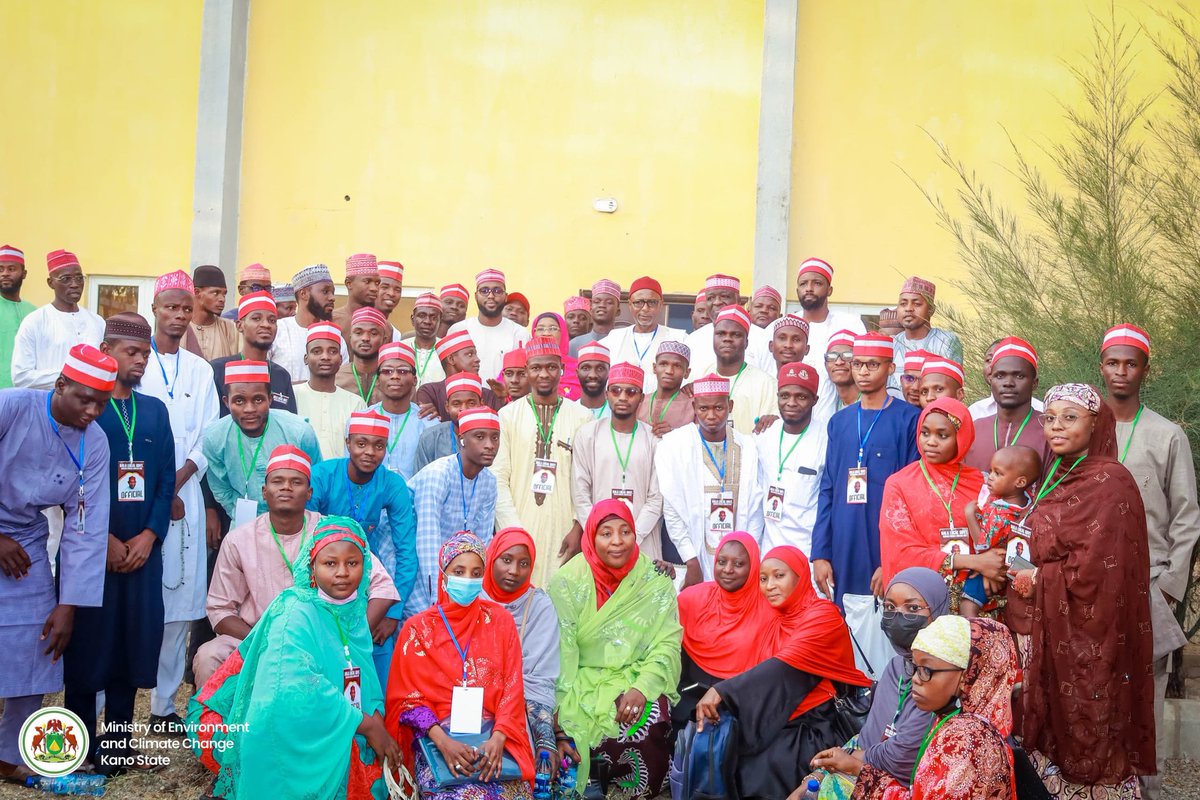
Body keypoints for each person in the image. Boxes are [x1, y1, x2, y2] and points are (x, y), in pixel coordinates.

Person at [189, 517, 402, 800]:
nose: (342, 573)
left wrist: (374, 716)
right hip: (278, 726)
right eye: (330, 563)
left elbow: (364, 676)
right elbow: (296, 690)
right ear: (312, 567)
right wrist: (366, 724)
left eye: (352, 563)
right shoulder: (294, 611)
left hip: (330, 719)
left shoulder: (354, 611)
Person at [1011, 383, 1155, 796]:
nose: (1056, 427)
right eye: (1050, 418)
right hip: (1047, 621)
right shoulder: (1051, 475)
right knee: (1051, 715)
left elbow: (1098, 571)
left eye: (1070, 418)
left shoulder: (1111, 481)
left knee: (1093, 713)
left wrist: (1041, 576)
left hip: (1093, 629)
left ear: (1096, 424)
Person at [63, 315, 174, 773]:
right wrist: (101, 538)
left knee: (132, 647)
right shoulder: (88, 407)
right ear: (107, 350)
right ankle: (79, 748)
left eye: (146, 354)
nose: (141, 361)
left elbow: (166, 479)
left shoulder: (154, 410)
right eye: (132, 352)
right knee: (89, 646)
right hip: (93, 552)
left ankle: (118, 747)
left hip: (142, 553)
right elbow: (69, 478)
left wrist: (150, 535)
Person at [193, 446, 400, 687]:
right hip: (257, 639)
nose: (286, 488)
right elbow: (219, 610)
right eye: (278, 481)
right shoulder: (239, 540)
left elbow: (383, 587)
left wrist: (352, 636)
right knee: (209, 656)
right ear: (265, 491)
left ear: (309, 493)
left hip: (322, 641)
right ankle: (219, 725)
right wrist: (264, 641)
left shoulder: (333, 532)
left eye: (296, 482)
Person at [0, 344, 114, 783]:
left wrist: (70, 603)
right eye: (83, 398)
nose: (91, 411)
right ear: (59, 385)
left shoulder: (95, 443)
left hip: (27, 539)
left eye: (101, 404)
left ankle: (9, 755)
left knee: (36, 644)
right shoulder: (13, 406)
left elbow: (86, 527)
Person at [1100, 323, 1200, 799]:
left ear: (1145, 370)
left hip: (1149, 583)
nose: (1122, 372)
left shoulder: (1167, 434)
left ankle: (1148, 790)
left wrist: (1168, 586)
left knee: (1145, 695)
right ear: (1101, 367)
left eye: (1131, 363)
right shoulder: (1080, 425)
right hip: (1089, 587)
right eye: (1113, 362)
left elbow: (1186, 518)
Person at [693, 546, 871, 800]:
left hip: (818, 723)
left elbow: (786, 667)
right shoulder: (776, 619)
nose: (770, 586)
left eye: (779, 576)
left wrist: (723, 691)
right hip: (778, 716)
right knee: (732, 752)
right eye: (763, 579)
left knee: (762, 768)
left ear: (799, 577)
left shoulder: (823, 616)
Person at [385, 532, 536, 799]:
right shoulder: (418, 629)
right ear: (443, 574)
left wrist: (499, 738)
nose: (467, 579)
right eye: (459, 570)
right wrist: (444, 743)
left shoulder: (500, 621)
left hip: (494, 740)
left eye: (476, 572)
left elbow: (513, 688)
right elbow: (407, 702)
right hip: (437, 742)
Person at [136, 270, 222, 734]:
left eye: (185, 308)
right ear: (155, 309)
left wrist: (178, 482)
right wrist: (159, 487)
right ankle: (118, 699)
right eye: (171, 307)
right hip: (137, 495)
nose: (179, 315)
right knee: (139, 600)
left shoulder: (200, 369)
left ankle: (163, 706)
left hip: (183, 492)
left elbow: (208, 437)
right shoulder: (134, 362)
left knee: (179, 608)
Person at [549, 501, 682, 798]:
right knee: (572, 723)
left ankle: (633, 792)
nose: (617, 541)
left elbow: (667, 642)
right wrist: (559, 708)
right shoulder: (567, 582)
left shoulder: (654, 580)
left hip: (634, 674)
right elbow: (562, 650)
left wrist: (642, 687)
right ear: (592, 537)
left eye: (625, 531)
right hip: (578, 678)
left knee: (646, 718)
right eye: (606, 533)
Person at [809, 567, 948, 795]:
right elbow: (869, 737)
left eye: (912, 608)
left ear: (939, 611)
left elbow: (905, 756)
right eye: (890, 607)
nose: (898, 617)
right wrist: (819, 774)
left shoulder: (946, 676)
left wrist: (853, 761)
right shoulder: (895, 669)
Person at [811, 333, 919, 615]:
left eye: (873, 365)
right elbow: (828, 488)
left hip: (884, 542)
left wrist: (893, 559)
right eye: (858, 364)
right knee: (843, 623)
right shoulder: (839, 421)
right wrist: (820, 553)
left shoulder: (909, 419)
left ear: (890, 368)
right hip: (843, 540)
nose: (863, 371)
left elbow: (912, 497)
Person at [305, 409, 417, 681]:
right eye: (361, 443)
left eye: (378, 446)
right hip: (320, 576)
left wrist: (392, 613)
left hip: (365, 577)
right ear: (348, 444)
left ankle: (377, 715)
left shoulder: (392, 484)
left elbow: (406, 553)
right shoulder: (322, 475)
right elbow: (305, 538)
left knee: (379, 646)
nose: (369, 452)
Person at [854, 615, 1017, 800]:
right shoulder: (955, 722)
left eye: (926, 670)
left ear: (967, 676)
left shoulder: (968, 743)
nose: (915, 678)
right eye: (915, 668)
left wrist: (861, 772)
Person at [878, 398, 998, 616]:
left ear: (962, 438)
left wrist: (990, 568)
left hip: (977, 601)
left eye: (942, 435)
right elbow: (902, 551)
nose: (931, 442)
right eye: (925, 433)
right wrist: (975, 562)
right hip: (924, 604)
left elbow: (998, 535)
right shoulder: (899, 484)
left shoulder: (982, 483)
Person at [492, 336, 592, 585]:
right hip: (518, 524)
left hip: (565, 529)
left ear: (562, 369)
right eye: (536, 368)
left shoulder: (582, 417)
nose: (544, 374)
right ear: (527, 372)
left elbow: (588, 480)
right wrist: (513, 531)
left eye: (551, 367)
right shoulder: (507, 416)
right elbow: (498, 477)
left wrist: (579, 527)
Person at [656, 373, 764, 586]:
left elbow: (756, 508)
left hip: (739, 558)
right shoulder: (675, 446)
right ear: (694, 406)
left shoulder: (748, 447)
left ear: (730, 406)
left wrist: (747, 552)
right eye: (704, 409)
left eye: (719, 408)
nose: (711, 415)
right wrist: (691, 559)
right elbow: (672, 509)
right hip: (693, 554)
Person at [202, 360, 323, 528]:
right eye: (239, 401)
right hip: (245, 527)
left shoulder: (299, 432)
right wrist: (243, 515)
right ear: (226, 402)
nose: (249, 409)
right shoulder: (213, 437)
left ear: (270, 399)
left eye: (258, 400)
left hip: (297, 526)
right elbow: (220, 487)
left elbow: (317, 481)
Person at [674, 532, 773, 728]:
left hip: (741, 706)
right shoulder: (691, 599)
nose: (728, 570)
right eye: (721, 561)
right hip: (688, 700)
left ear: (753, 567)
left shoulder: (769, 610)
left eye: (738, 564)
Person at [407, 406, 500, 614]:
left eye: (495, 438)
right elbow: (427, 541)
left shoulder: (489, 482)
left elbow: (482, 542)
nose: (489, 445)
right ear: (462, 439)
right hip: (414, 565)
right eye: (480, 437)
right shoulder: (439, 474)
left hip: (453, 571)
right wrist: (438, 597)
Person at [572, 362, 664, 560]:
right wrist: (600, 536)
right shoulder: (588, 435)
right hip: (599, 544)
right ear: (607, 394)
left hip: (643, 543)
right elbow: (580, 493)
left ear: (641, 397)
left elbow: (656, 499)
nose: (623, 397)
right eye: (616, 391)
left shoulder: (654, 440)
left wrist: (631, 538)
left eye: (631, 392)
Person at [482, 527, 561, 757]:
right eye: (506, 560)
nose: (514, 571)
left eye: (524, 564)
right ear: (491, 558)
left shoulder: (539, 607)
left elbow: (539, 681)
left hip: (520, 708)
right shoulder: (472, 601)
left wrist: (546, 742)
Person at [756, 363, 827, 554]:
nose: (791, 403)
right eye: (785, 395)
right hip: (768, 551)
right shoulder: (763, 435)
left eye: (801, 397)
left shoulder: (827, 439)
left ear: (815, 400)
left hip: (808, 552)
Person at [962, 445, 1040, 618]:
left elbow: (982, 546)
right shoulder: (1030, 504)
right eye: (991, 471)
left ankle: (970, 632)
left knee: (968, 600)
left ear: (1019, 482)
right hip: (1015, 568)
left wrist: (970, 516)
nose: (990, 477)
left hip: (992, 566)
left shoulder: (1000, 514)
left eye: (998, 473)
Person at [12, 249, 105, 389]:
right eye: (65, 279)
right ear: (50, 283)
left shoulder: (97, 322)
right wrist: (70, 375)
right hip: (47, 406)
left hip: (91, 407)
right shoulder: (35, 321)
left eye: (79, 278)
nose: (74, 284)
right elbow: (21, 377)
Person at [963, 336, 1048, 472]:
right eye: (1000, 376)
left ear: (1034, 383)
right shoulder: (974, 429)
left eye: (1019, 376)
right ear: (991, 379)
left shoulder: (1048, 430)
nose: (1008, 383)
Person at [210, 290, 298, 415]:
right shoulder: (218, 370)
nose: (266, 325)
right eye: (256, 318)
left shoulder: (281, 376)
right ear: (240, 325)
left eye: (272, 320)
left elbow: (290, 425)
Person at [694, 305, 777, 435]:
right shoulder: (699, 376)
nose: (727, 338)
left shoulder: (767, 384)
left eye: (736, 334)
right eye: (721, 334)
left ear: (746, 342)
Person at [293, 321, 367, 460]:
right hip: (300, 478)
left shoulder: (356, 403)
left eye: (332, 351)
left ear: (340, 359)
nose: (325, 357)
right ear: (306, 358)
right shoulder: (293, 395)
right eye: (317, 351)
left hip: (340, 479)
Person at [599, 276, 686, 391]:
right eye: (638, 302)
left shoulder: (678, 338)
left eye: (652, 302)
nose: (645, 308)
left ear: (660, 304)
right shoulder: (614, 339)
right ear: (630, 305)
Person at [364, 341, 434, 479]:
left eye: (402, 371)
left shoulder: (429, 423)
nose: (395, 376)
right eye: (387, 371)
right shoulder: (363, 420)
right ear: (378, 380)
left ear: (414, 380)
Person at [448, 269, 531, 380]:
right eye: (484, 290)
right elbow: (450, 372)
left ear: (505, 297)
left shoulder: (520, 333)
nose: (491, 295)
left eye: (497, 291)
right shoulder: (458, 330)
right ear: (476, 296)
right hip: (467, 396)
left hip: (507, 397)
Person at [271, 263, 346, 383]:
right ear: (303, 294)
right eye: (325, 291)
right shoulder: (278, 330)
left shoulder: (335, 336)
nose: (332, 298)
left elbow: (341, 382)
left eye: (332, 292)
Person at [685, 273, 774, 373]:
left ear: (738, 301)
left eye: (724, 296)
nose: (717, 302)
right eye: (711, 298)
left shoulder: (763, 339)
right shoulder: (692, 340)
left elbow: (769, 381)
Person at [414, 331, 504, 421]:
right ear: (451, 359)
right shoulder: (429, 391)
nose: (477, 359)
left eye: (471, 403)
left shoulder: (488, 394)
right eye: (470, 354)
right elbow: (430, 425)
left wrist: (502, 400)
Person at [794, 258, 866, 370]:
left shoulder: (851, 324)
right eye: (803, 284)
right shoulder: (785, 325)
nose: (809, 289)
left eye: (817, 283)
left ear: (829, 290)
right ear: (797, 291)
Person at [412, 372, 486, 475]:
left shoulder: (491, 438)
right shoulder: (430, 437)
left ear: (481, 405)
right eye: (456, 404)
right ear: (447, 407)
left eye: (471, 403)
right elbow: (419, 481)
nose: (463, 409)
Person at [890, 277, 963, 367]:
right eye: (903, 304)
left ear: (931, 310)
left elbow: (952, 379)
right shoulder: (891, 344)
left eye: (917, 304)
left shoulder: (946, 341)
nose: (908, 309)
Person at [637, 340, 694, 435]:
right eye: (663, 364)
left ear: (687, 372)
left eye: (677, 366)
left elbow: (700, 440)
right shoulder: (639, 402)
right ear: (654, 368)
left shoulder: (693, 406)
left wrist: (673, 434)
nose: (669, 371)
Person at [336, 306, 388, 405]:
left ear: (384, 340)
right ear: (350, 338)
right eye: (358, 333)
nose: (365, 338)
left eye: (373, 333)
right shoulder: (336, 378)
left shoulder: (393, 379)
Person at [187, 264, 239, 360]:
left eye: (224, 294)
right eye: (215, 293)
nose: (222, 299)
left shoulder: (232, 329)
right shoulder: (181, 328)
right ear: (197, 292)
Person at [0, 245, 33, 390]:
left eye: (11, 269)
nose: (5, 274)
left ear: (24, 273)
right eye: (0, 269)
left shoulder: (34, 313)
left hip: (27, 393)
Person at [331, 252, 381, 342]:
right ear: (349, 283)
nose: (374, 288)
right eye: (367, 281)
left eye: (377, 283)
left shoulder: (384, 325)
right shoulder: (332, 321)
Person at [532, 311, 581, 400]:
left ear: (563, 332)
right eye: (540, 329)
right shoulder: (522, 362)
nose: (546, 333)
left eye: (553, 328)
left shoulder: (576, 366)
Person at [569, 279, 621, 357]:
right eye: (597, 302)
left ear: (618, 311)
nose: (602, 305)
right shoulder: (574, 345)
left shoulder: (624, 343)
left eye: (609, 302)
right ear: (590, 309)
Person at [407, 292, 447, 387]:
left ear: (440, 321)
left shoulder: (448, 350)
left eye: (433, 317)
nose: (427, 321)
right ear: (413, 319)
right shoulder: (400, 348)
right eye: (422, 315)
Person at [822, 329, 860, 413]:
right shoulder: (828, 404)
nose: (839, 362)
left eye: (848, 355)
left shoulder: (872, 404)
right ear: (825, 364)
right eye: (832, 356)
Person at [576, 341, 612, 419]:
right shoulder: (568, 412)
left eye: (600, 369)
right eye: (586, 368)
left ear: (609, 372)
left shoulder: (616, 413)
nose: (593, 375)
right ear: (577, 372)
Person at [375, 260, 405, 341]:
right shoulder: (355, 323)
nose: (391, 293)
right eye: (385, 287)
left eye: (397, 290)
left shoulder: (395, 335)